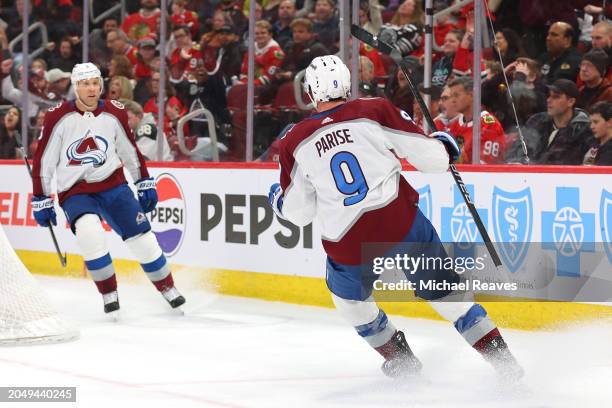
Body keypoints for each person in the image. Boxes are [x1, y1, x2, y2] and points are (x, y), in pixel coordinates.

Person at [267, 55, 522, 380]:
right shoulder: (373, 109)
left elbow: (299, 213)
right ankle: (506, 366)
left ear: (310, 90)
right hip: (399, 223)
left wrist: (278, 200)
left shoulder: (294, 140)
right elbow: (432, 161)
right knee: (450, 299)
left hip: (347, 243)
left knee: (351, 304)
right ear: (347, 83)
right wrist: (444, 146)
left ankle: (400, 359)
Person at [30, 63, 186, 315]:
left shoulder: (115, 112)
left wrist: (143, 182)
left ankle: (168, 288)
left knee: (143, 240)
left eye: (94, 83)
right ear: (76, 87)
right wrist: (41, 198)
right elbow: (44, 161)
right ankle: (109, 293)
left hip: (114, 185)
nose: (90, 89)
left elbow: (129, 151)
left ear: (100, 85)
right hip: (76, 190)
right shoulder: (56, 116)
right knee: (90, 234)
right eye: (84, 84)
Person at [521, 79, 593, 164]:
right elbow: (519, 147)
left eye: (555, 97)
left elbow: (563, 161)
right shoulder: (536, 121)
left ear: (571, 102)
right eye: (549, 96)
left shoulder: (582, 130)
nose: (548, 100)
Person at [447, 77, 506, 164]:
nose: (452, 100)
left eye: (456, 95)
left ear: (471, 95)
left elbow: (484, 167)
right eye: (451, 96)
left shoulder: (490, 124)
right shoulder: (455, 125)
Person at [583, 101, 612, 165]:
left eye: (596, 122)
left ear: (610, 122)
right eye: (591, 122)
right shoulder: (591, 143)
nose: (591, 126)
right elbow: (586, 165)